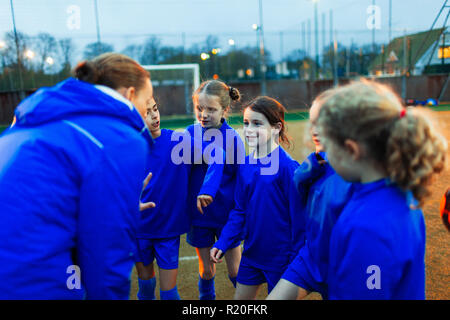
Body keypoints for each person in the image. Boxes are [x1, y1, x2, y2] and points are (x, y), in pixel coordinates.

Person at [0, 53, 154, 299]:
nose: (147, 112)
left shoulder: (31, 122)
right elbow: (105, 257)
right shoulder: (117, 139)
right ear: (130, 95)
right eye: (148, 101)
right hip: (30, 284)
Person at [318, 80, 447, 299]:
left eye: (327, 147)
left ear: (351, 149)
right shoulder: (399, 192)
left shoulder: (367, 228)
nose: (325, 155)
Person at [210, 96, 306, 299]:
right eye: (246, 123)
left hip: (281, 259)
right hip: (252, 255)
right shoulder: (245, 164)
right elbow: (240, 210)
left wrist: (295, 260)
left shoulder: (287, 168)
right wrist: (223, 242)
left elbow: (299, 219)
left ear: (276, 127)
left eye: (257, 123)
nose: (249, 129)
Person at [267, 92, 354, 300]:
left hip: (343, 266)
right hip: (310, 258)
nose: (315, 130)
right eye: (313, 122)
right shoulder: (313, 165)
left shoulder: (358, 172)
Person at [135, 98, 224, 300]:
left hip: (168, 230)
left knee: (169, 293)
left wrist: (208, 188)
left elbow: (217, 154)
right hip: (139, 229)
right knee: (146, 288)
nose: (154, 115)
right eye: (146, 113)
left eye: (155, 109)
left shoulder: (178, 141)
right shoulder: (129, 148)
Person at [185, 80, 245, 300]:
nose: (204, 114)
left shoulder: (233, 139)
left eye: (211, 109)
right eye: (200, 109)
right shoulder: (189, 134)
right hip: (199, 216)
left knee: (235, 270)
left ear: (225, 110)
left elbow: (241, 178)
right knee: (206, 271)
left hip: (227, 216)